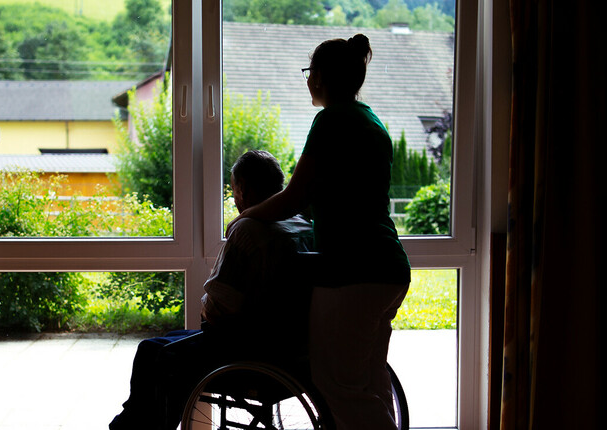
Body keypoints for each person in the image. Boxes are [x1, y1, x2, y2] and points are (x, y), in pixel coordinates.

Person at [229, 34, 411, 430]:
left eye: (310, 72)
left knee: (339, 387)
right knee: (370, 383)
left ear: (320, 78)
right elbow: (322, 199)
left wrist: (243, 218)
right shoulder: (370, 120)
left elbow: (294, 197)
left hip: (352, 272)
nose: (307, 80)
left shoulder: (331, 120)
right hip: (388, 267)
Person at [109, 150, 315, 430]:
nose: (235, 198)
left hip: (247, 352)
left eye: (234, 190)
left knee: (153, 351)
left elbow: (218, 309)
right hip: (294, 351)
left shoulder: (249, 229)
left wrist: (206, 306)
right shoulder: (303, 225)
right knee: (169, 341)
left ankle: (133, 426)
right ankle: (140, 423)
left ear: (242, 189)